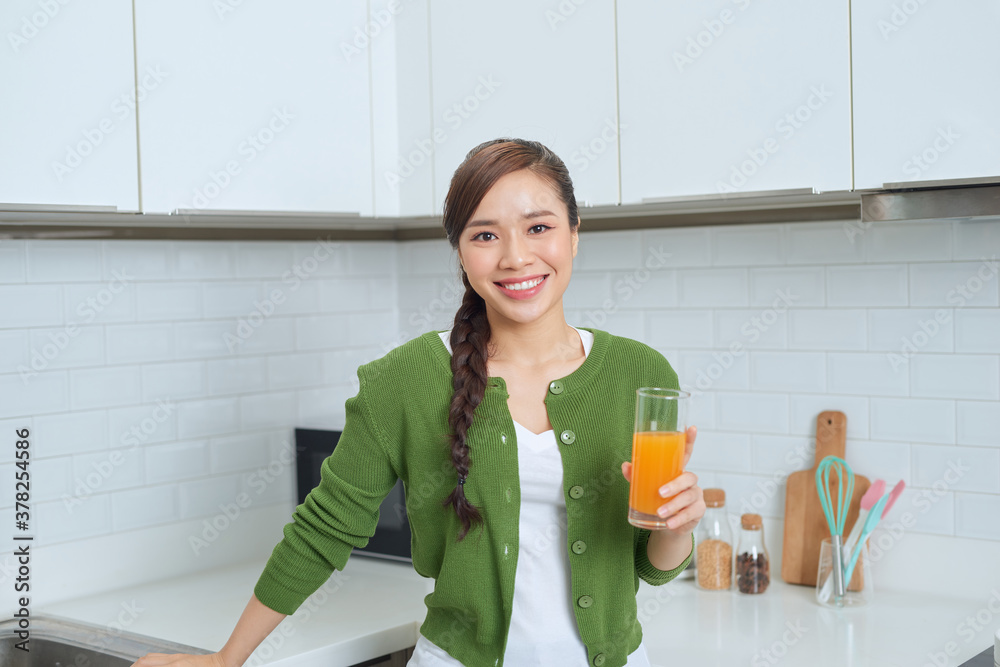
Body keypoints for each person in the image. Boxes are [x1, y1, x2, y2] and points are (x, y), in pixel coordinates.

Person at [130, 138, 705, 667]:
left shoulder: (640, 374)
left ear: (574, 233)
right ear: (460, 253)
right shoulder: (405, 379)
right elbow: (324, 527)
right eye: (485, 235)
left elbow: (649, 565)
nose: (514, 257)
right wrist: (226, 658)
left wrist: (679, 525)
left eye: (538, 227)